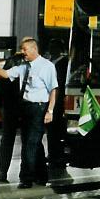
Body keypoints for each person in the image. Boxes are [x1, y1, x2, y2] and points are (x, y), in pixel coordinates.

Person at [0, 37, 59, 189]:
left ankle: (26, 177)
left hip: (39, 107)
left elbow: (53, 89)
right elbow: (6, 74)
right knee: (32, 142)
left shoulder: (47, 66)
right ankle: (42, 174)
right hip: (25, 107)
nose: (22, 52)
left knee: (30, 143)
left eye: (25, 49)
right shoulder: (24, 66)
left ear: (34, 49)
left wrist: (50, 111)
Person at [0, 52, 23, 182]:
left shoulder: (10, 64)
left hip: (9, 106)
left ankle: (2, 170)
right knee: (28, 140)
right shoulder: (27, 65)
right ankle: (29, 170)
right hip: (23, 105)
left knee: (7, 139)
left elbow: (1, 86)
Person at [45, 38, 68, 169]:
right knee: (50, 130)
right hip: (48, 100)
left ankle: (58, 155)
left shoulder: (63, 63)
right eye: (51, 46)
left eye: (55, 47)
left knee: (57, 130)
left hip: (58, 102)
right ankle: (52, 153)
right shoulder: (49, 62)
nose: (52, 49)